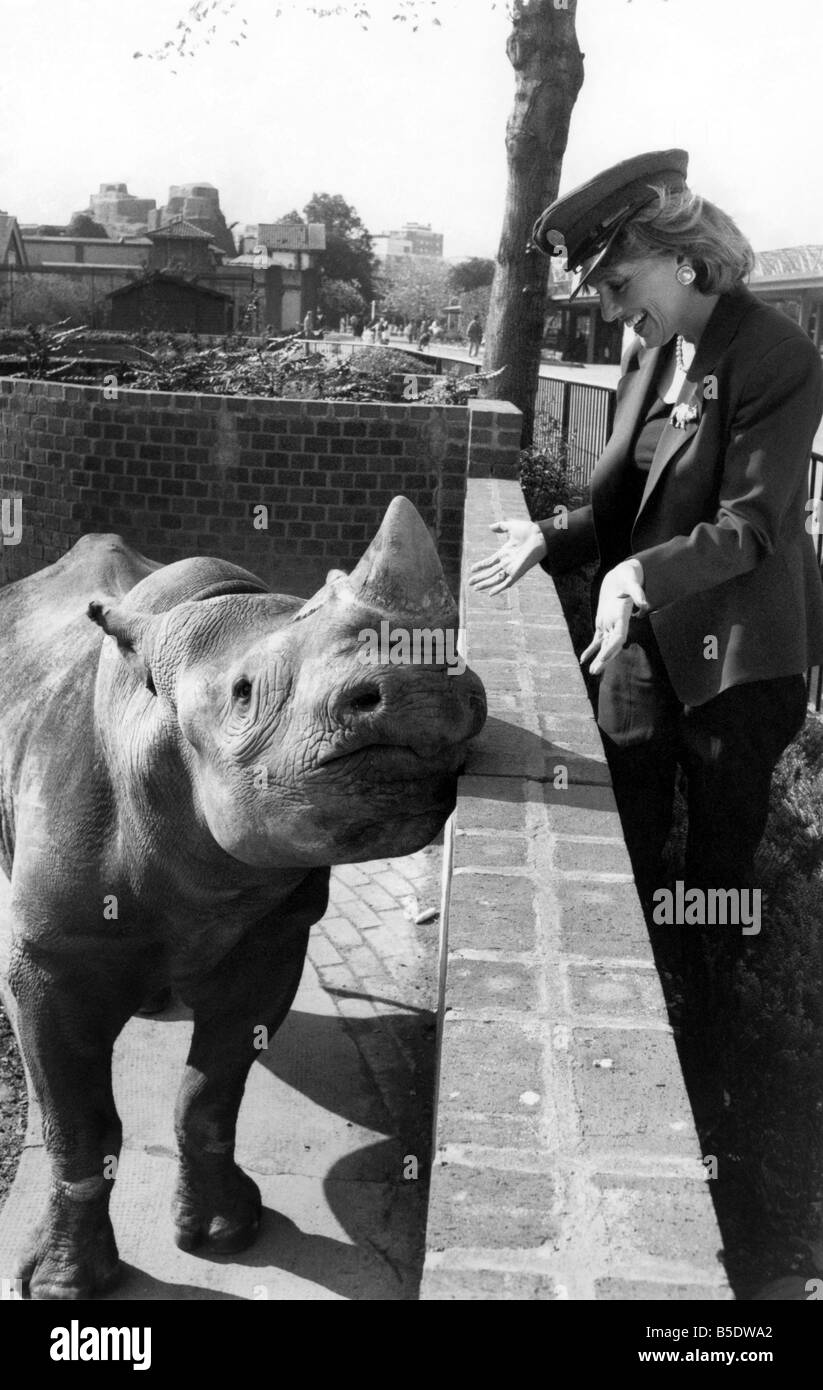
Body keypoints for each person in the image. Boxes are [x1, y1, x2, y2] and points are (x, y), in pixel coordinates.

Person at [469, 148, 823, 939]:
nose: (605, 311)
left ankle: (704, 1013)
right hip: (638, 641)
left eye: (617, 285)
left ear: (686, 262)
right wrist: (551, 534)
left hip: (736, 652)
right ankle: (623, 978)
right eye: (598, 289)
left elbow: (749, 525)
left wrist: (633, 574)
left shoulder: (779, 359)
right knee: (621, 833)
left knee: (716, 874)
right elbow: (634, 502)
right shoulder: (649, 350)